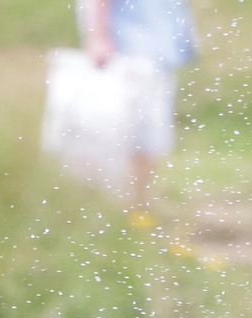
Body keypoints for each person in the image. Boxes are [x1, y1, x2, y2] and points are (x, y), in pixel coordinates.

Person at [82, 0, 196, 206]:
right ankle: (118, 209)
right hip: (128, 52)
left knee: (149, 138)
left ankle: (136, 207)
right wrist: (98, 37)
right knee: (128, 136)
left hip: (156, 51)